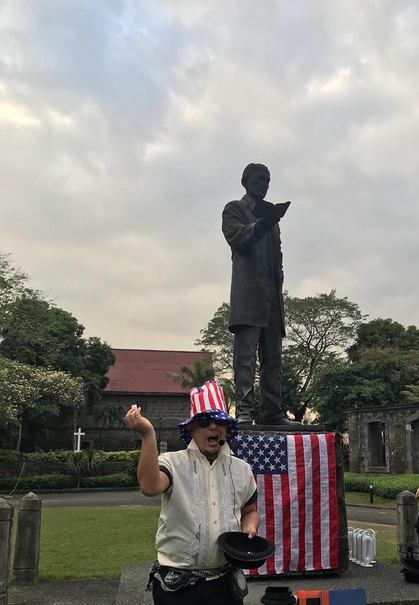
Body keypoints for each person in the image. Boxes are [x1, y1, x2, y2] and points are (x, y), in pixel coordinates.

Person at [124, 380, 259, 605]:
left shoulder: (241, 469)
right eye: (204, 421)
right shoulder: (173, 463)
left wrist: (250, 526)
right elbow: (149, 486)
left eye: (219, 421)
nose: (213, 427)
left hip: (225, 584)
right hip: (178, 587)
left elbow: (250, 510)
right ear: (191, 428)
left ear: (227, 428)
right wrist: (148, 434)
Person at [222, 162, 300, 426]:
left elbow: (277, 259)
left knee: (273, 359)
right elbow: (237, 238)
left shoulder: (273, 221)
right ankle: (244, 411)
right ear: (245, 181)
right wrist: (260, 226)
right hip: (248, 298)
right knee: (245, 358)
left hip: (272, 300)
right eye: (258, 179)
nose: (263, 184)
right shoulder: (234, 209)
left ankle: (272, 412)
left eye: (266, 180)